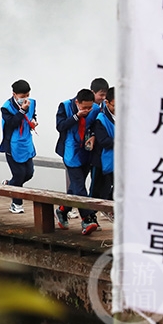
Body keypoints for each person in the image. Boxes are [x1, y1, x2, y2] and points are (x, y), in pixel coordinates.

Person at [55, 88, 101, 235]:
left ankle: (62, 210)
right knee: (80, 187)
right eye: (84, 107)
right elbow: (60, 126)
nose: (88, 110)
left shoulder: (95, 109)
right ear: (77, 102)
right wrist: (76, 116)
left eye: (90, 107)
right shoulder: (65, 106)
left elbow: (95, 125)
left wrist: (93, 136)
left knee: (76, 187)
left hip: (86, 151)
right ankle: (87, 219)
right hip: (70, 151)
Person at [0, 79, 38, 213]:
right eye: (22, 96)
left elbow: (33, 115)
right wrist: (22, 110)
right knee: (19, 174)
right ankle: (16, 204)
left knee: (29, 173)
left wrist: (34, 121)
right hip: (12, 144)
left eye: (27, 95)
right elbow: (11, 123)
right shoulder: (6, 107)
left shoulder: (32, 103)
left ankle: (9, 185)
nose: (25, 98)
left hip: (26, 143)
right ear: (14, 94)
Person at [89, 87, 115, 215]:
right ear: (107, 102)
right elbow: (103, 140)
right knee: (97, 191)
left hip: (120, 162)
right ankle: (90, 217)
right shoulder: (101, 118)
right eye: (115, 105)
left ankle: (111, 211)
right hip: (101, 160)